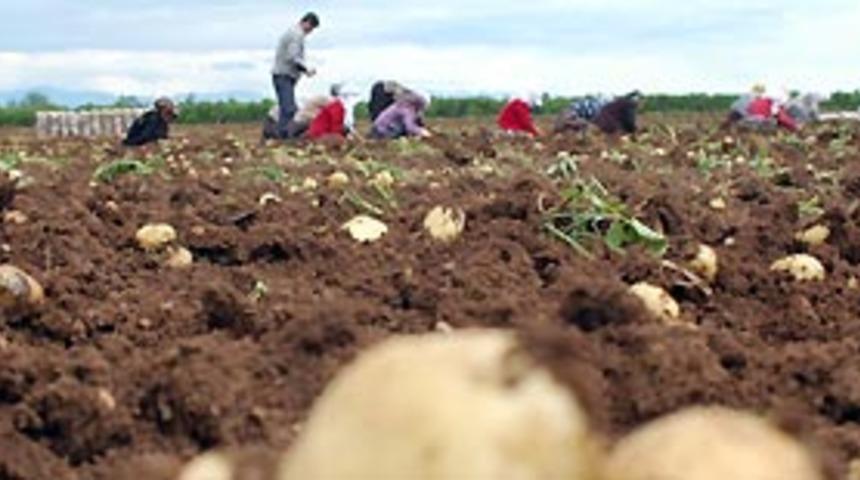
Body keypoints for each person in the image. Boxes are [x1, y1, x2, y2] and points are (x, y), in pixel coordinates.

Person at [272, 12, 320, 139]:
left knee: (285, 108)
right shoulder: (296, 34)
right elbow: (292, 57)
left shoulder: (294, 33)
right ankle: (283, 137)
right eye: (311, 27)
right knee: (289, 109)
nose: (311, 31)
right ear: (306, 22)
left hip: (283, 75)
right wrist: (306, 69)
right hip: (284, 75)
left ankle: (282, 136)